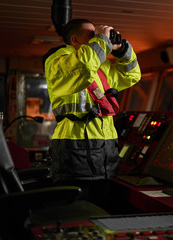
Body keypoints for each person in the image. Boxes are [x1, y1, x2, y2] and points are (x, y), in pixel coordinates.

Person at [43, 19, 141, 212]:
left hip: (106, 154)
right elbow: (83, 68)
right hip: (75, 150)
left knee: (102, 212)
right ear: (75, 40)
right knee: (76, 214)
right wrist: (102, 41)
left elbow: (132, 76)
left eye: (98, 35)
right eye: (92, 35)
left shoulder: (101, 67)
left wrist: (122, 51)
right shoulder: (59, 60)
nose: (98, 38)